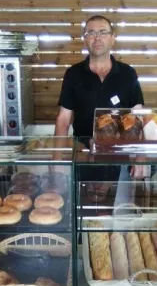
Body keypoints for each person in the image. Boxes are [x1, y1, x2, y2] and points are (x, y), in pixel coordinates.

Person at [54, 15, 146, 188]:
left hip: (121, 157)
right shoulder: (73, 74)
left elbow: (138, 116)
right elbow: (63, 120)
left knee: (119, 207)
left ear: (112, 39)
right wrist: (57, 161)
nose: (97, 37)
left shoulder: (128, 74)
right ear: (85, 40)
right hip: (83, 156)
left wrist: (140, 157)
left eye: (103, 32)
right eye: (91, 33)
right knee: (81, 207)